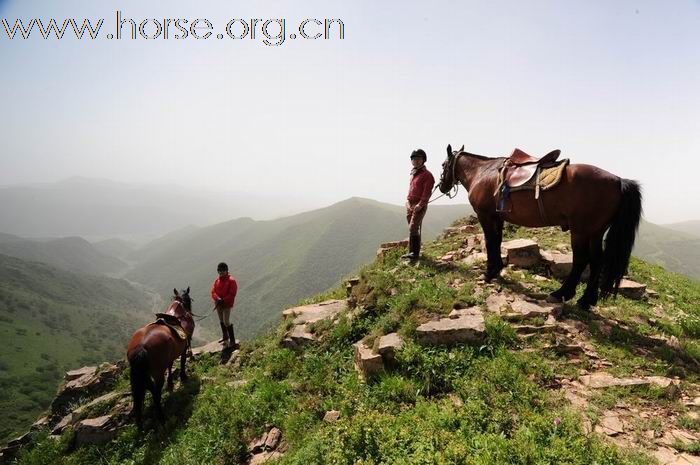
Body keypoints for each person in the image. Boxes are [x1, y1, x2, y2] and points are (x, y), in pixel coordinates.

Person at [402, 149, 435, 261]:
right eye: (414, 159)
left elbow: (427, 193)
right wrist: (407, 201)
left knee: (413, 227)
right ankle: (411, 252)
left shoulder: (427, 175)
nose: (416, 161)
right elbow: (411, 189)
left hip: (418, 204)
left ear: (423, 160)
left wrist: (421, 204)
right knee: (412, 228)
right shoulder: (413, 174)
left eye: (418, 159)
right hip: (410, 204)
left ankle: (414, 254)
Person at [211, 262, 239, 349]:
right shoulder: (217, 280)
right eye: (220, 271)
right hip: (218, 304)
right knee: (221, 320)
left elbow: (232, 293)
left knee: (226, 321)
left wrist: (223, 300)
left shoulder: (231, 280)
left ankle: (232, 340)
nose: (221, 272)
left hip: (227, 304)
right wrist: (217, 298)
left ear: (227, 271)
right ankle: (225, 336)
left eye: (223, 271)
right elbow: (213, 291)